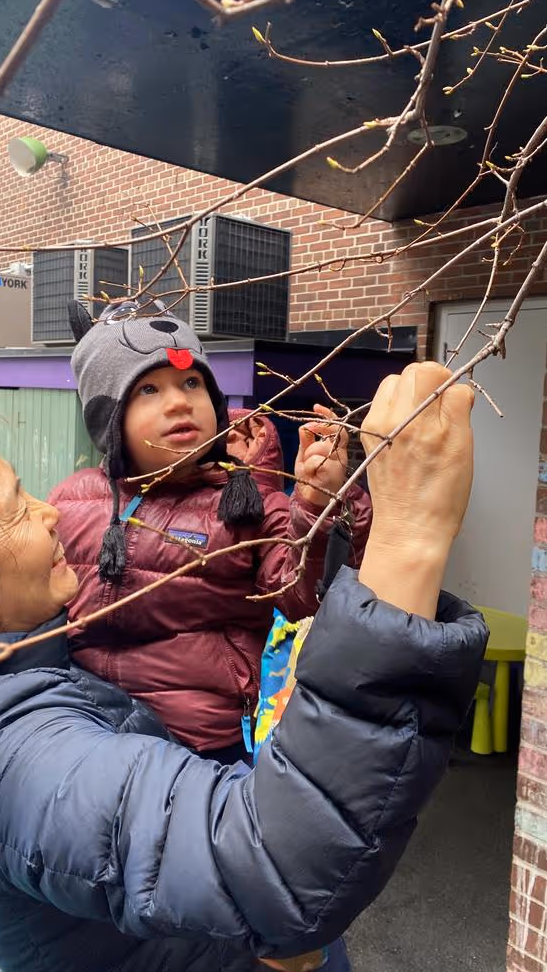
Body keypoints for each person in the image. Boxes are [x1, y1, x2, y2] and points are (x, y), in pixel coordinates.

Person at [0, 362, 487, 972]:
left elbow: (291, 585)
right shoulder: (0, 759)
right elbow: (273, 867)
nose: (44, 512)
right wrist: (410, 536)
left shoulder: (17, 668)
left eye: (191, 384)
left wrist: (304, 500)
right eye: (15, 509)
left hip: (205, 777)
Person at [49, 299, 372, 762]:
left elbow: (303, 593)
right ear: (109, 418)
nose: (179, 400)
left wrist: (318, 506)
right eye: (148, 390)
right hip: (86, 730)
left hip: (200, 745)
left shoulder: (243, 503)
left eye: (191, 382)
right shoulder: (69, 499)